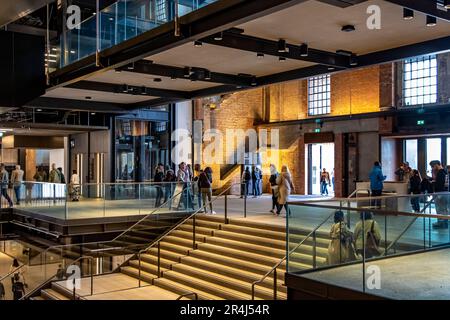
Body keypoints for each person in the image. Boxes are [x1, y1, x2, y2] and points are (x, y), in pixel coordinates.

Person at [430, 161, 448, 229]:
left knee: (440, 209)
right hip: (444, 192)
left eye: (433, 166)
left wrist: (434, 182)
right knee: (444, 209)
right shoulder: (444, 172)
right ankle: (444, 223)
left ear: (436, 165)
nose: (433, 168)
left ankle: (441, 223)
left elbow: (440, 184)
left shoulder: (440, 173)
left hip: (440, 193)